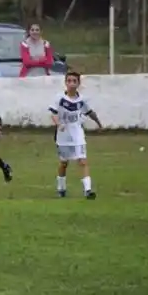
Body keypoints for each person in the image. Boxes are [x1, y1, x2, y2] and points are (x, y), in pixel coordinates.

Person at [49, 71, 102, 199]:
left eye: (74, 81)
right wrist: (58, 124)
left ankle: (88, 190)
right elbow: (53, 113)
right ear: (65, 83)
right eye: (69, 81)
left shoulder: (81, 100)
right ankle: (61, 188)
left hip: (78, 133)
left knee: (83, 161)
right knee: (64, 163)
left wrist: (99, 123)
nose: (72, 83)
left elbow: (89, 112)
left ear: (78, 83)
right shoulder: (59, 98)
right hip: (63, 135)